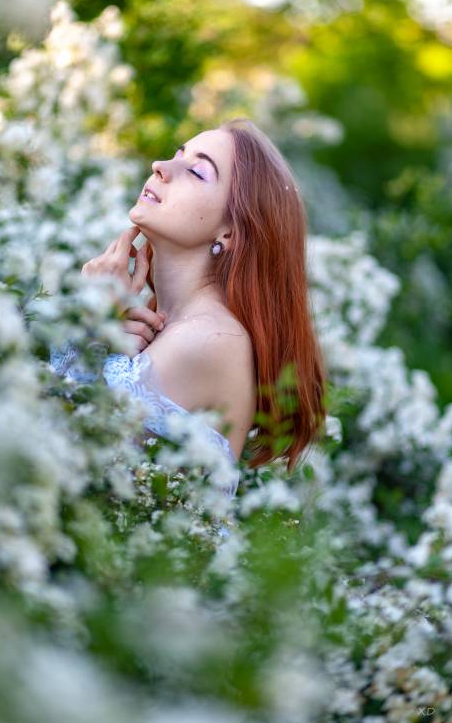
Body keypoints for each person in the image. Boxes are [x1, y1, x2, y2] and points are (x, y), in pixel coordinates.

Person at [50, 117, 328, 498]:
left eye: (196, 171)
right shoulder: (170, 325)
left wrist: (85, 316)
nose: (160, 167)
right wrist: (103, 336)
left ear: (229, 232)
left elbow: (56, 459)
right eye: (177, 154)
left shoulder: (209, 338)